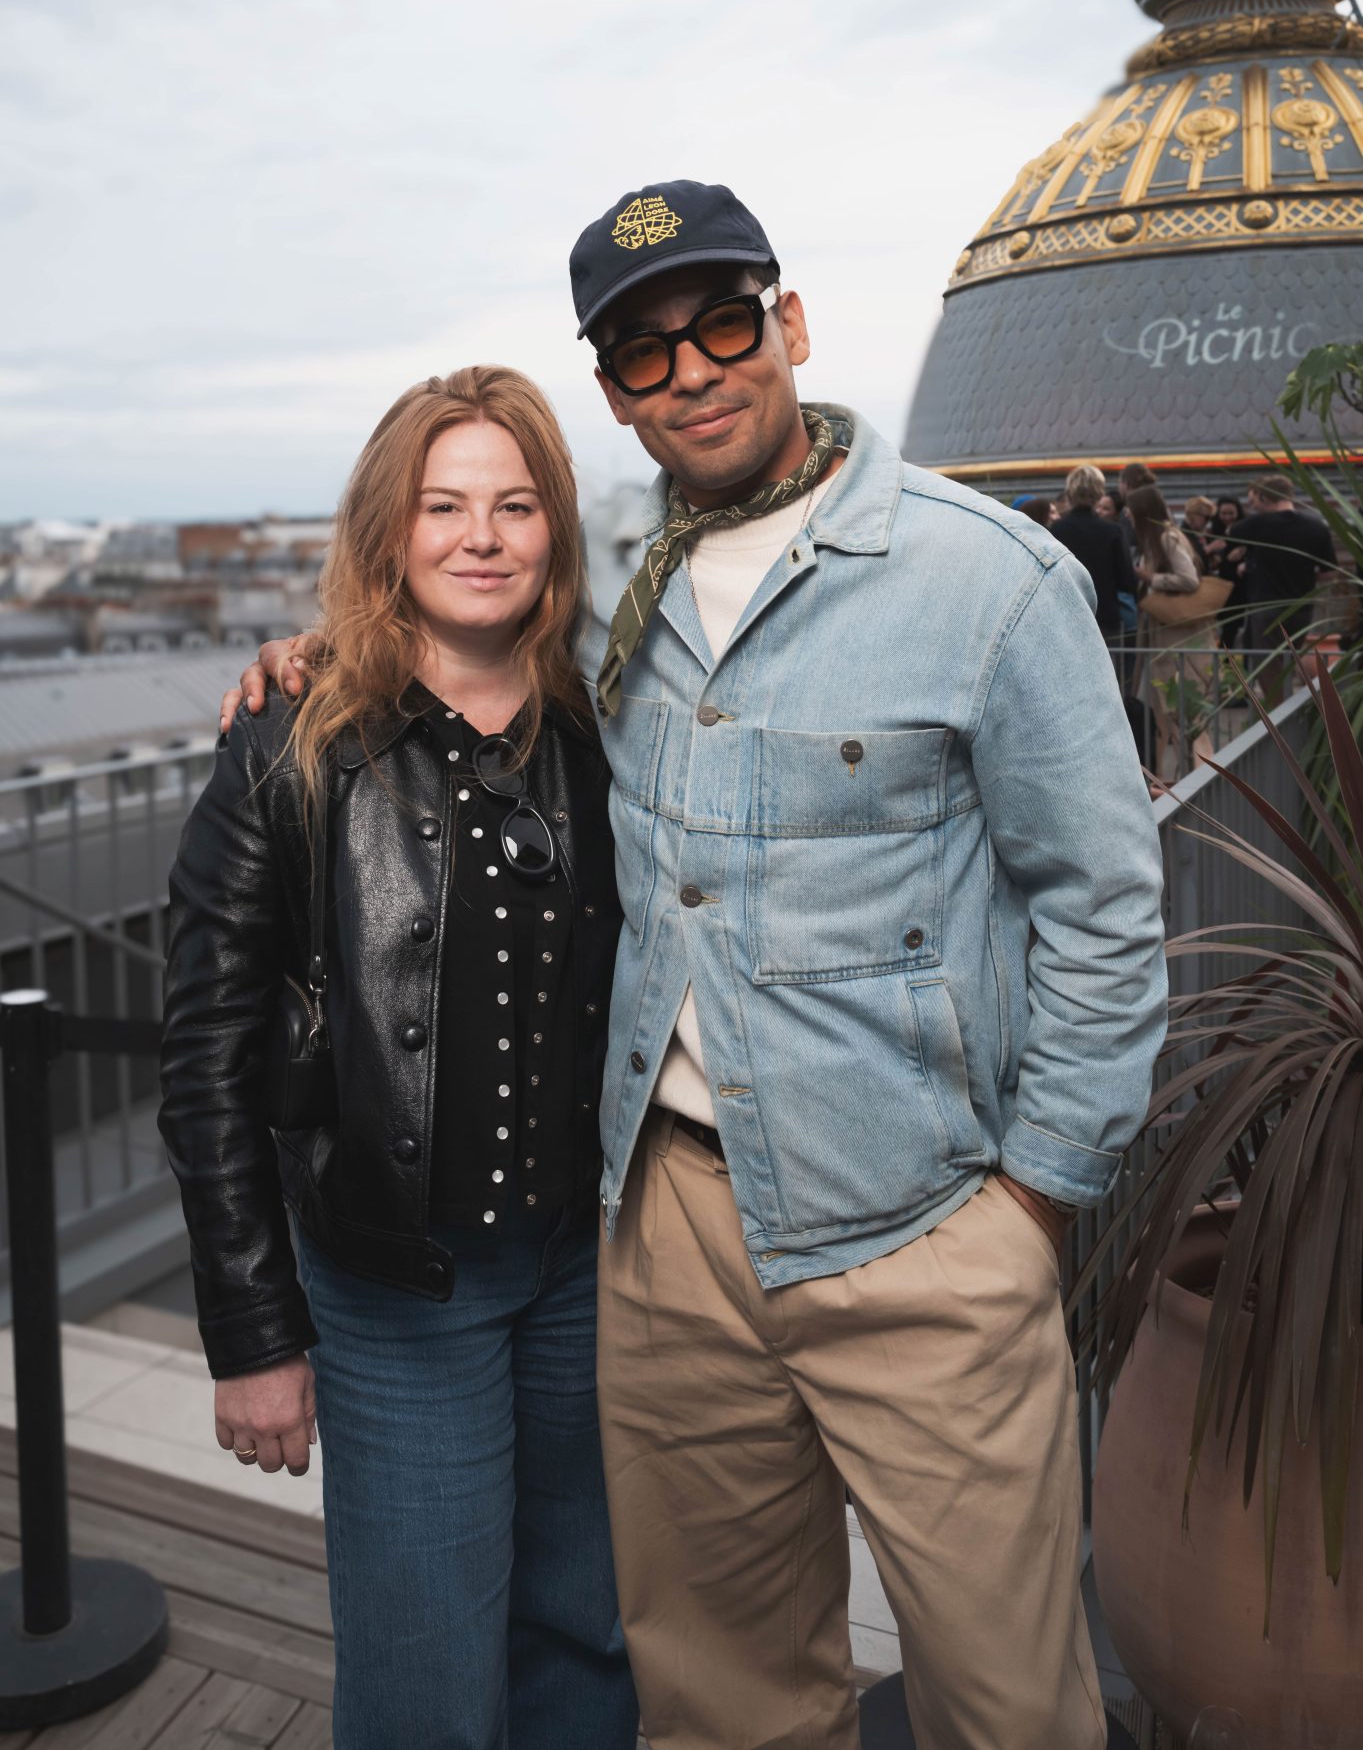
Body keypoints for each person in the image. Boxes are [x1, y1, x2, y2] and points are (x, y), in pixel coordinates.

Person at [231, 180, 1167, 1750]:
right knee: (720, 1700)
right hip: (662, 1239)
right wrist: (320, 652)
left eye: (722, 323)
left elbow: (1102, 905)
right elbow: (466, 643)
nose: (694, 371)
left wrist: (1031, 1209)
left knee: (1007, 1705)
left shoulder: (986, 582)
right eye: (645, 352)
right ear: (612, 392)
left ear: (787, 325)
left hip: (919, 1229)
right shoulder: (618, 604)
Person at [165, 369, 638, 1750]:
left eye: (513, 504)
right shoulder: (291, 735)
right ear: (389, 532)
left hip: (583, 1277)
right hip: (392, 1295)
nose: (478, 536)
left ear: (553, 528)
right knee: (426, 1676)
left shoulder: (607, 729)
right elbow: (203, 1051)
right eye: (442, 506)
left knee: (584, 1638)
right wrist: (253, 1334)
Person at [1127, 483, 1217, 776]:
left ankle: (1197, 775)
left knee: (1182, 711)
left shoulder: (1167, 538)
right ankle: (1179, 775)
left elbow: (1189, 580)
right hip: (1166, 637)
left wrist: (1151, 578)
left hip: (1176, 637)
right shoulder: (1161, 538)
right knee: (1167, 712)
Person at [1236, 472, 1336, 677]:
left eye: (1255, 500)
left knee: (1268, 667)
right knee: (1292, 659)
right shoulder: (1316, 526)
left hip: (1267, 607)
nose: (1253, 505)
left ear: (1264, 497)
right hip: (1301, 608)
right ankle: (1308, 703)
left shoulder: (1257, 525)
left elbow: (1230, 536)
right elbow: (1329, 573)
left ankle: (1277, 708)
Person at [1051, 462, 1139, 645]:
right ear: (1099, 494)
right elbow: (1127, 580)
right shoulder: (1113, 531)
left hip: (1066, 618)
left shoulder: (1057, 530)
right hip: (1104, 617)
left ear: (1070, 492)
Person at [1202, 495, 1248, 653]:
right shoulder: (1213, 532)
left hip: (1243, 586)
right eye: (1224, 513)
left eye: (1231, 513)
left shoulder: (1246, 529)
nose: (1227, 518)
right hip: (1222, 587)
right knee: (1226, 629)